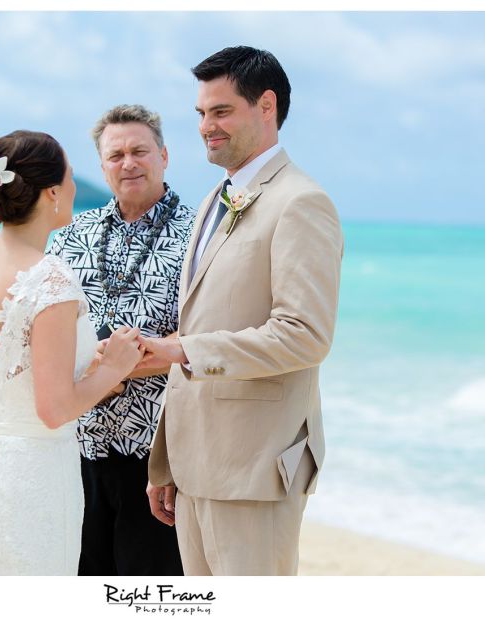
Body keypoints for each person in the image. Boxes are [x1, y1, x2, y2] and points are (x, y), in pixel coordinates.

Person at [141, 46, 344, 575]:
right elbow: (201, 321)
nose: (207, 126)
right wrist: (165, 461)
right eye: (202, 114)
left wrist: (181, 350)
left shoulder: (301, 202)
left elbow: (304, 335)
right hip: (194, 466)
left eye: (222, 111)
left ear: (267, 106)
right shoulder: (214, 198)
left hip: (255, 468)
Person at [0, 130, 144, 576]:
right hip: (32, 479)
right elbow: (53, 408)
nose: (76, 186)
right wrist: (115, 368)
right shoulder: (50, 278)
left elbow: (14, 370)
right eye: (69, 176)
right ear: (52, 194)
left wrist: (88, 359)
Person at [49, 104, 191, 575]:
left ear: (164, 156)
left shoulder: (198, 237)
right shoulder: (70, 234)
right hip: (78, 447)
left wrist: (118, 365)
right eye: (116, 155)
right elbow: (46, 328)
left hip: (157, 452)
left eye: (139, 151)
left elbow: (203, 335)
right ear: (102, 164)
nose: (128, 163)